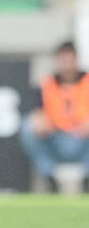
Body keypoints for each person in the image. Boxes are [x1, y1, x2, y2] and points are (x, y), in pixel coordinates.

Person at [20, 41, 89, 192]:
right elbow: (33, 109)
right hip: (56, 138)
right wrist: (39, 118)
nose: (68, 65)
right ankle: (49, 177)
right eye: (64, 60)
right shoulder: (45, 84)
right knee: (27, 127)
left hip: (83, 140)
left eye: (70, 59)